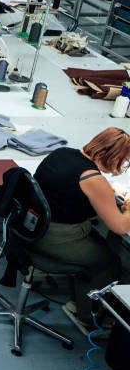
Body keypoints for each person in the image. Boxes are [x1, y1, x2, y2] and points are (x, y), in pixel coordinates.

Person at [33, 127, 130, 335]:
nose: (124, 166)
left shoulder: (63, 153)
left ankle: (78, 300)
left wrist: (106, 192)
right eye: (125, 161)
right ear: (115, 157)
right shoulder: (94, 179)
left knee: (99, 243)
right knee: (109, 262)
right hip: (55, 237)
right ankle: (88, 317)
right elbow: (120, 226)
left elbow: (69, 187)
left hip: (33, 226)